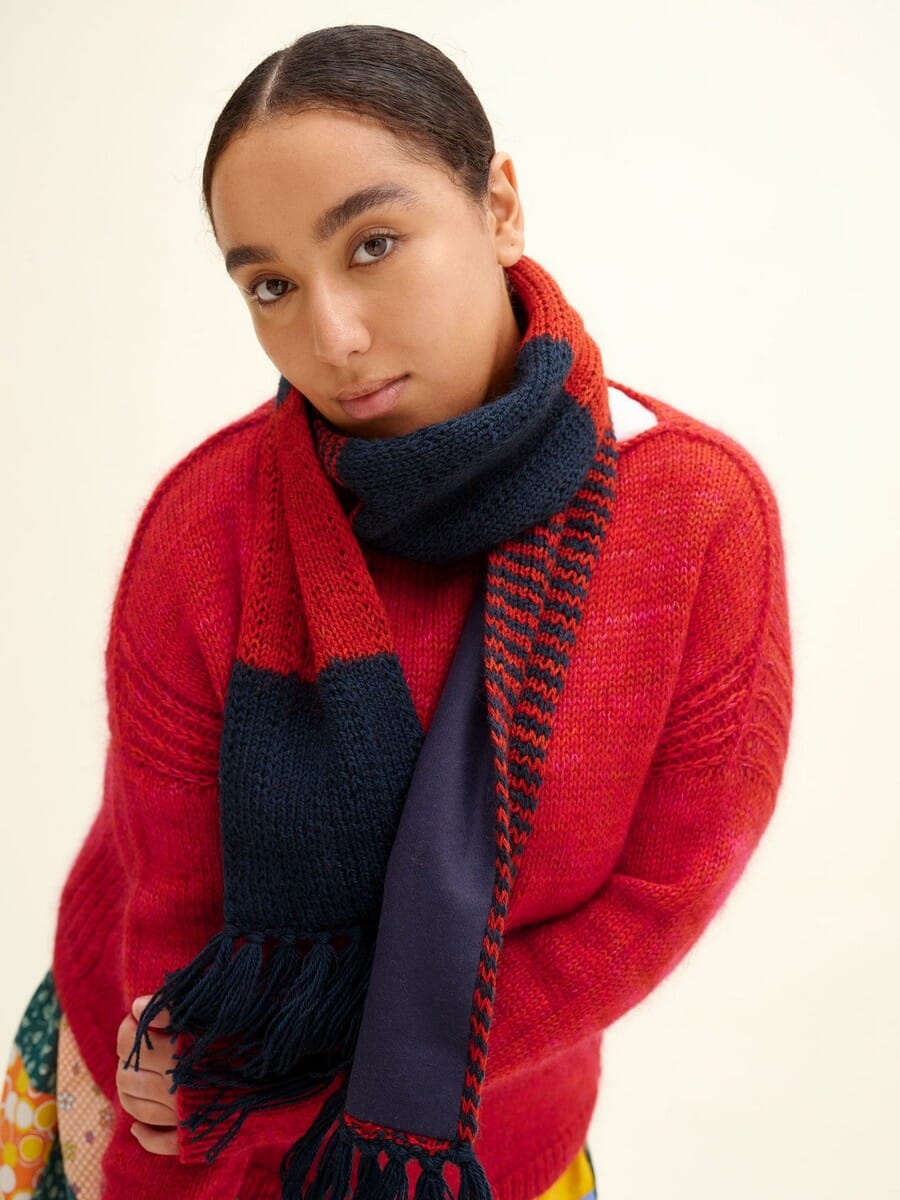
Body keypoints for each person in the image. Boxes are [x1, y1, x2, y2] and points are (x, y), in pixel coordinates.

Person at [2, 22, 793, 1200]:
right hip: (170, 1113)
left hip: (477, 1145)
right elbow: (171, 901)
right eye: (271, 285)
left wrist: (354, 1076)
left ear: (499, 207)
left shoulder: (693, 515)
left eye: (372, 244)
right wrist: (184, 1079)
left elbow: (659, 897)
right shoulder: (206, 526)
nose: (332, 337)